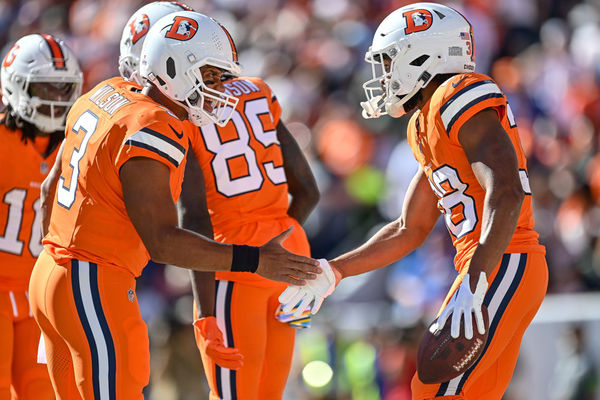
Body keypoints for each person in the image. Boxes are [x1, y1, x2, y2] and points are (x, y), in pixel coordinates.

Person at [29, 11, 320, 399]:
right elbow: (162, 242)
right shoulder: (156, 125)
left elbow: (49, 190)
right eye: (212, 75)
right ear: (173, 67)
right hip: (94, 280)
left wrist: (54, 277)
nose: (220, 88)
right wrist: (256, 259)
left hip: (53, 270)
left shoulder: (105, 92)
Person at [279, 3, 548, 400]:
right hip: (492, 265)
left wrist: (476, 280)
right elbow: (409, 228)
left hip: (502, 259)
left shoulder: (458, 93)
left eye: (390, 62)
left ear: (423, 55)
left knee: (433, 386)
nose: (385, 75)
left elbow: (507, 190)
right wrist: (334, 271)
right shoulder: (425, 122)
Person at [179, 64, 320, 399]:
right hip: (292, 261)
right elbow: (309, 192)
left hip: (237, 264)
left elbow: (196, 219)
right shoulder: (256, 89)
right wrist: (280, 238)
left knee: (233, 395)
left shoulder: (183, 110)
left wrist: (208, 314)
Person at [0, 33, 82, 399]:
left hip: (39, 296)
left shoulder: (77, 141)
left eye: (64, 90)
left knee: (43, 392)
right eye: (46, 88)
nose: (57, 100)